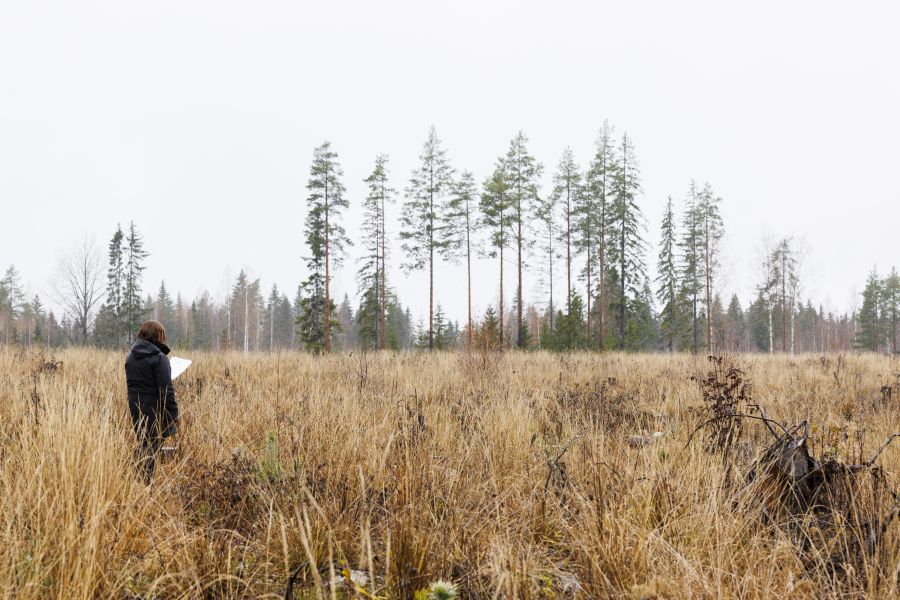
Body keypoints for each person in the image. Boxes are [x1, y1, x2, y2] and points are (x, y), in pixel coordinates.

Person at [125, 320, 179, 480]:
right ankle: (145, 484)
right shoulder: (159, 358)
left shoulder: (131, 357)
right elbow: (166, 390)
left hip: (135, 406)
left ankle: (136, 480)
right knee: (152, 446)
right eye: (162, 335)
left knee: (143, 443)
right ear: (158, 336)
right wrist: (174, 413)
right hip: (154, 409)